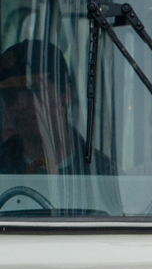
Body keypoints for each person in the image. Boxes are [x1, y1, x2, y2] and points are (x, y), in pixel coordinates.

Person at [0, 41, 96, 176]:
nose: (19, 105)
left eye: (33, 90)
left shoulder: (103, 175)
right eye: (9, 95)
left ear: (66, 95)